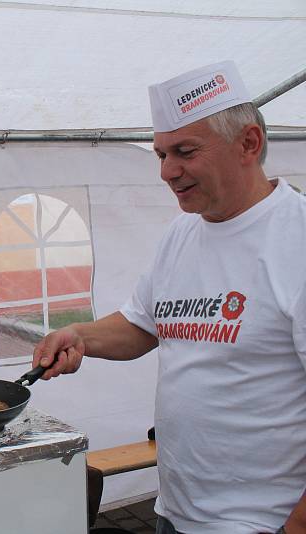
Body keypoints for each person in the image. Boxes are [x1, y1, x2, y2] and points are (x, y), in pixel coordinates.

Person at [32, 61, 306, 534]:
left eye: (184, 151)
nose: (167, 171)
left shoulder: (295, 240)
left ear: (249, 143)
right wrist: (80, 334)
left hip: (261, 523)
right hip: (174, 514)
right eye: (160, 154)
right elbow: (143, 325)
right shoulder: (182, 232)